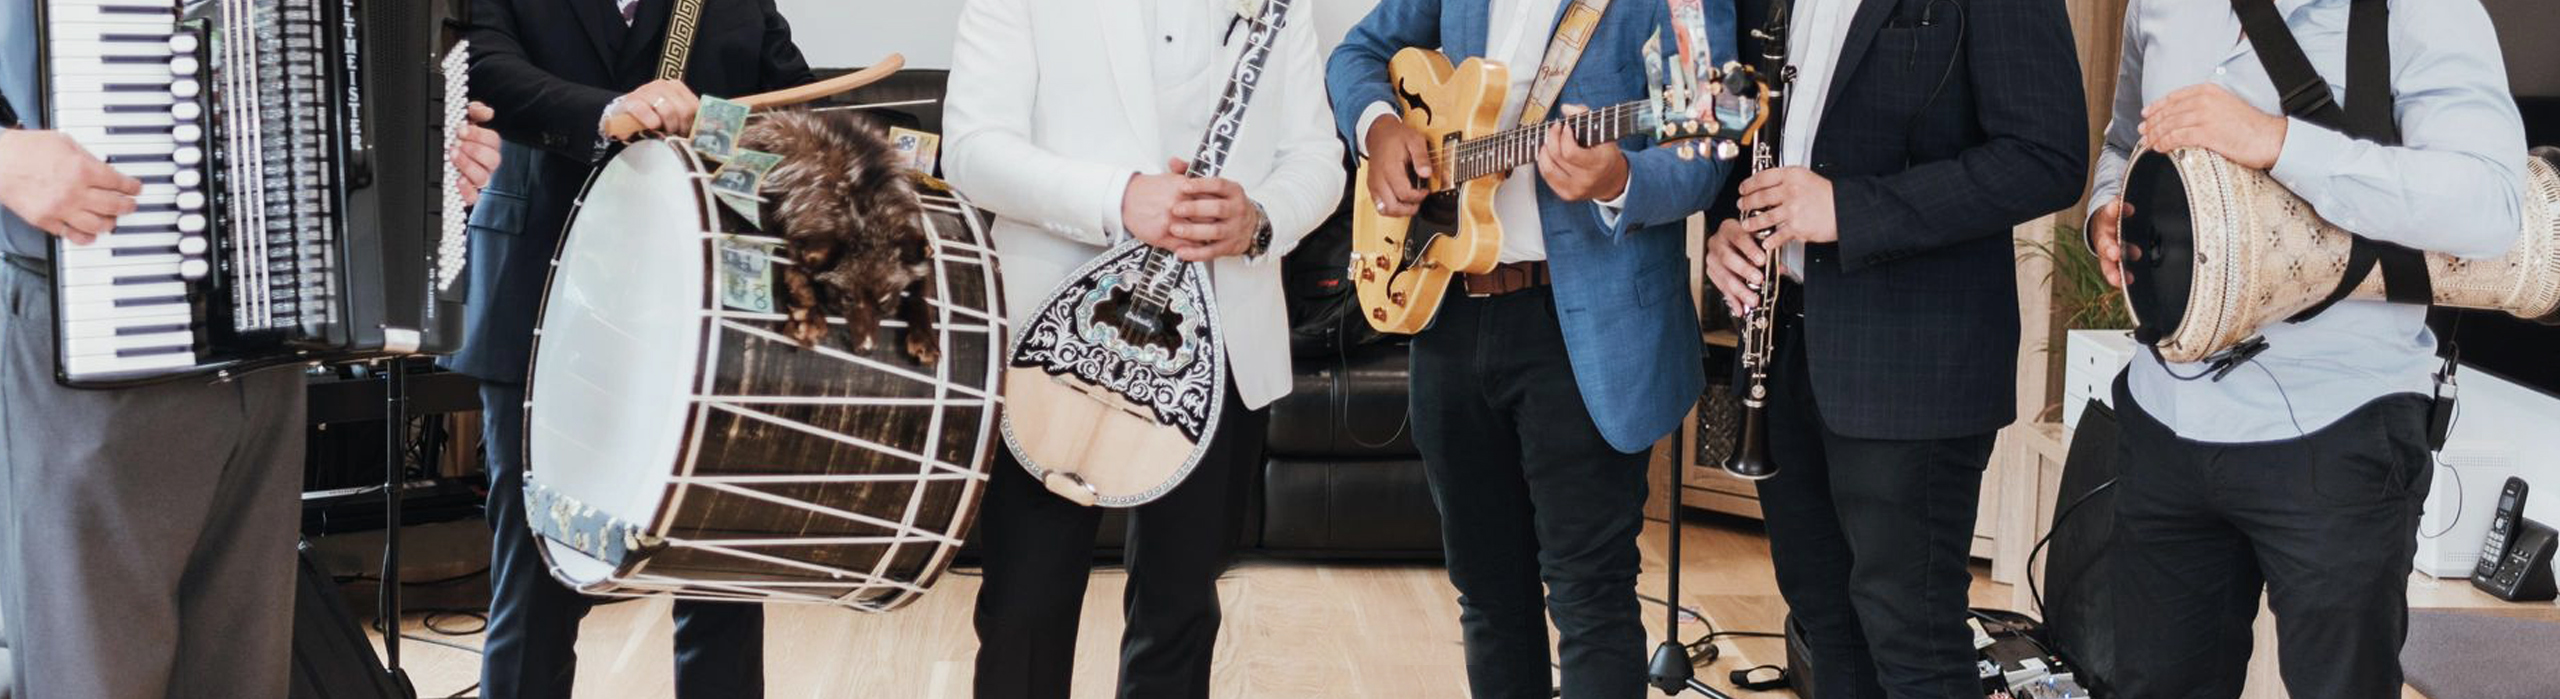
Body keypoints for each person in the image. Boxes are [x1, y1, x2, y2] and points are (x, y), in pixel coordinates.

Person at [0, 0, 499, 694]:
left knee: (243, 674)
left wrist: (435, 148)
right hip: (100, 335)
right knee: (94, 673)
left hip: (267, 354)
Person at [2084, 0, 2525, 696]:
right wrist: (2106, 214)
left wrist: (2281, 142)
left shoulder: (2424, 10)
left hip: (2339, 429)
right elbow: (2121, 146)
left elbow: (2490, 206)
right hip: (2165, 417)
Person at [1329, 1, 1735, 695]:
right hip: (1451, 311)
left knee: (1590, 597)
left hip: (1589, 327)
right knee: (1486, 591)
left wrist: (1619, 179)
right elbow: (1355, 54)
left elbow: (1706, 145)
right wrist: (1381, 127)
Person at [942, 0, 1343, 695]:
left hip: (1220, 341)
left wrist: (1259, 219)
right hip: (1052, 346)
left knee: (1181, 613)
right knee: (1023, 610)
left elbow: (1315, 158)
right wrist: (1119, 196)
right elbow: (973, 149)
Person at [1700, 0, 2088, 695]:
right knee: (1822, 621)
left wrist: (1849, 210)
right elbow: (1754, 123)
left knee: (1913, 639)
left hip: (1915, 360)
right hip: (1783, 343)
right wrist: (1728, 225)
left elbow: (2046, 157)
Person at [451, 0, 811, 696]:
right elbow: (483, 68)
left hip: (698, 310)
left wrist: (733, 128)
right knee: (534, 572)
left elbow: (791, 109)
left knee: (719, 572)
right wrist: (610, 110)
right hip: (538, 292)